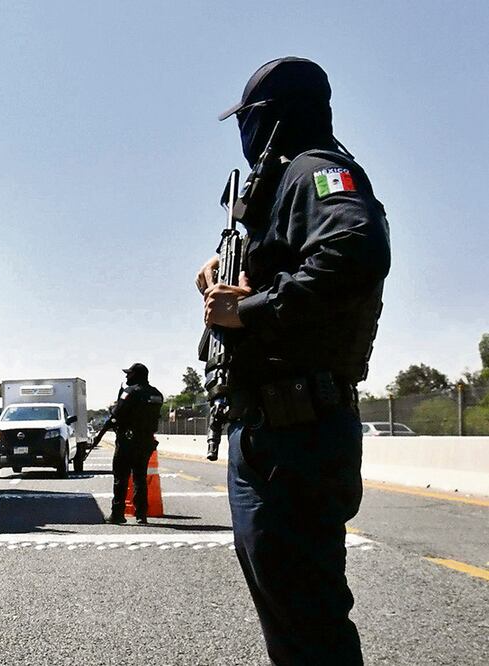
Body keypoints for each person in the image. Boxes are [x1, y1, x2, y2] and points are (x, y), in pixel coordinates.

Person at [198, 57, 390, 665]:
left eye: (250, 120)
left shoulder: (317, 170)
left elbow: (356, 249)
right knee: (289, 614)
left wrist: (250, 309)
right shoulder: (283, 187)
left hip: (298, 434)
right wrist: (230, 277)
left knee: (308, 619)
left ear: (274, 117)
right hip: (269, 431)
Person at [94, 363, 163, 525]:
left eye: (129, 374)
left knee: (121, 478)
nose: (126, 377)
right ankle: (141, 515)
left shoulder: (129, 392)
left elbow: (116, 416)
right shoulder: (157, 394)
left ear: (137, 375)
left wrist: (101, 432)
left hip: (127, 440)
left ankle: (117, 514)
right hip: (146, 441)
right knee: (140, 477)